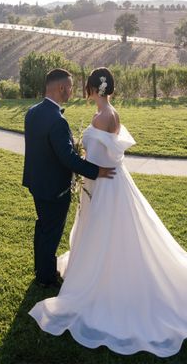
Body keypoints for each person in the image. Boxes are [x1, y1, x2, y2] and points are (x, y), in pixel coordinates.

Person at [28, 67, 187, 357]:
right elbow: (102, 153)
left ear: (92, 89)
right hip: (108, 183)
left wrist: (88, 165)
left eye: (83, 87)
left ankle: (98, 274)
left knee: (99, 231)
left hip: (102, 184)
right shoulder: (112, 114)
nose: (78, 92)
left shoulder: (97, 117)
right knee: (112, 233)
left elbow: (92, 158)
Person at [22, 68, 116, 288]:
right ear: (62, 88)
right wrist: (97, 171)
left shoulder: (32, 112)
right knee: (51, 232)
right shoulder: (58, 121)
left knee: (43, 226)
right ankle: (46, 276)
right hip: (56, 188)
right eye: (71, 87)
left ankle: (41, 268)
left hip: (37, 183)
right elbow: (68, 158)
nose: (72, 91)